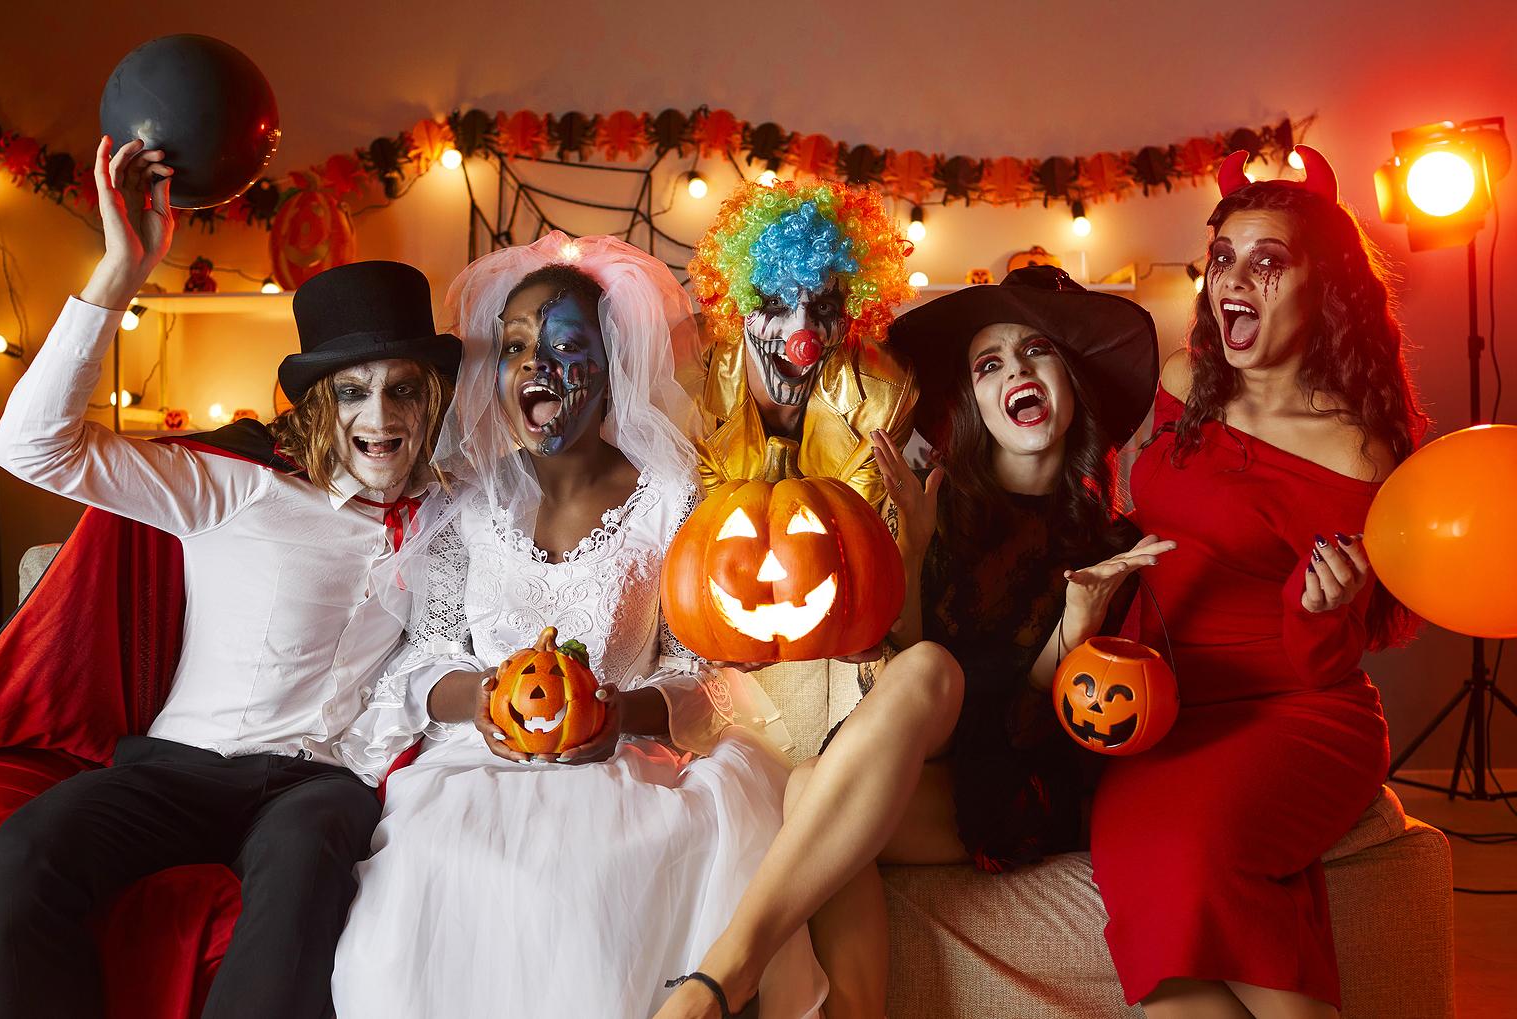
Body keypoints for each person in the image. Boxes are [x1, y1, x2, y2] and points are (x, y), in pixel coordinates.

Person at [0, 136, 461, 1019]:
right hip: (181, 769)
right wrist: (122, 268)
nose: (379, 417)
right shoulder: (231, 487)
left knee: (309, 866)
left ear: (431, 401)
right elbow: (28, 445)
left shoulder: (457, 515)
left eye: (402, 390)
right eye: (354, 392)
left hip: (323, 785)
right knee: (21, 855)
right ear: (319, 403)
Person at [330, 231, 825, 1019]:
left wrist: (618, 714)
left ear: (612, 369)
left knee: (597, 882)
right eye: (517, 345)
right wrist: (485, 699)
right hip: (475, 769)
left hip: (631, 768)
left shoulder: (671, 498)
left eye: (566, 345)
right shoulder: (465, 502)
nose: (537, 364)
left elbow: (705, 670)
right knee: (433, 867)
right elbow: (425, 653)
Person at [657, 265, 1169, 1019]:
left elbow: (1076, 723)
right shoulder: (936, 506)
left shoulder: (1114, 543)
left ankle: (724, 971)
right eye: (989, 364)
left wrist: (1076, 627)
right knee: (858, 734)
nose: (1014, 374)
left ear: (1073, 381)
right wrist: (913, 553)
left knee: (815, 789)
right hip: (940, 743)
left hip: (1025, 775)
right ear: (974, 400)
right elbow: (909, 669)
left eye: (1036, 353)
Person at [1090, 145, 1429, 1019]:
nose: (1233, 278)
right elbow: (1155, 517)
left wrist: (1319, 610)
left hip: (1293, 706)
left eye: (1268, 261)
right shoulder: (1182, 382)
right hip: (1159, 703)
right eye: (1225, 257)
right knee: (1139, 863)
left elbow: (1329, 661)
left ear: (1328, 288)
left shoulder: (1354, 450)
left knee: (1200, 847)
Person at [685, 179, 917, 509]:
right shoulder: (684, 382)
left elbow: (857, 528)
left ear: (851, 312)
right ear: (737, 305)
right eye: (775, 304)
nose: (801, 336)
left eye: (824, 307)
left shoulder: (886, 397)